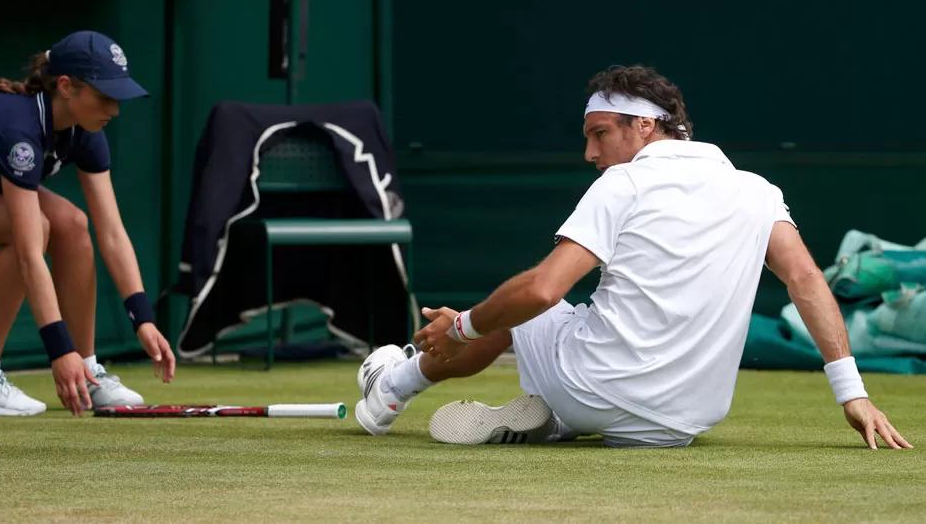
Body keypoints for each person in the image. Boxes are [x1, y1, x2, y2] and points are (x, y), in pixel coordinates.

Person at [354, 65, 912, 450]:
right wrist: (853, 394)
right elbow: (807, 281)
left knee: (525, 305)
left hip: (593, 386)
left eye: (599, 134)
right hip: (682, 423)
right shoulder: (757, 191)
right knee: (558, 326)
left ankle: (392, 388)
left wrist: (464, 328)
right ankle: (557, 424)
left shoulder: (625, 184)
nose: (590, 153)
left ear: (644, 125)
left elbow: (543, 291)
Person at [0, 30, 176, 417]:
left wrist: (142, 319)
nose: (115, 109)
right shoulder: (18, 130)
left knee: (72, 223)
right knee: (34, 229)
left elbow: (110, 231)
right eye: (105, 97)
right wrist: (59, 350)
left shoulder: (86, 131)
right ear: (65, 87)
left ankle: (88, 369)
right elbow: (28, 253)